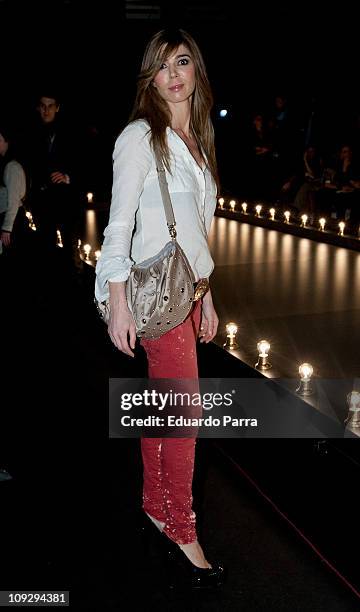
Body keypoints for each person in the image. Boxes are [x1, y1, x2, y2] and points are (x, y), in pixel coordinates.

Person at [95, 29, 225, 588]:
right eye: (162, 66)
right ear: (150, 78)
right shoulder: (139, 137)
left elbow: (197, 231)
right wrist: (117, 300)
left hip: (186, 294)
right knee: (185, 415)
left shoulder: (196, 141)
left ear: (195, 70)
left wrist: (208, 293)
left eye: (183, 61)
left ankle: (155, 506)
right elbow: (118, 224)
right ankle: (181, 528)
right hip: (152, 296)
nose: (174, 74)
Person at [23, 92, 82, 271]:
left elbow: (86, 163)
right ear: (38, 108)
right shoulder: (32, 135)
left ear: (57, 108)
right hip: (42, 205)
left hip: (66, 203)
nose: (46, 110)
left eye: (50, 106)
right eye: (43, 106)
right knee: (46, 253)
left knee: (70, 253)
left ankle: (75, 287)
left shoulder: (70, 133)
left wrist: (68, 177)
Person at [0, 125, 27, 256]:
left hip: (13, 221)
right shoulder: (7, 164)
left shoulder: (12, 167)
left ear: (7, 142)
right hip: (11, 219)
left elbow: (13, 200)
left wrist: (6, 228)